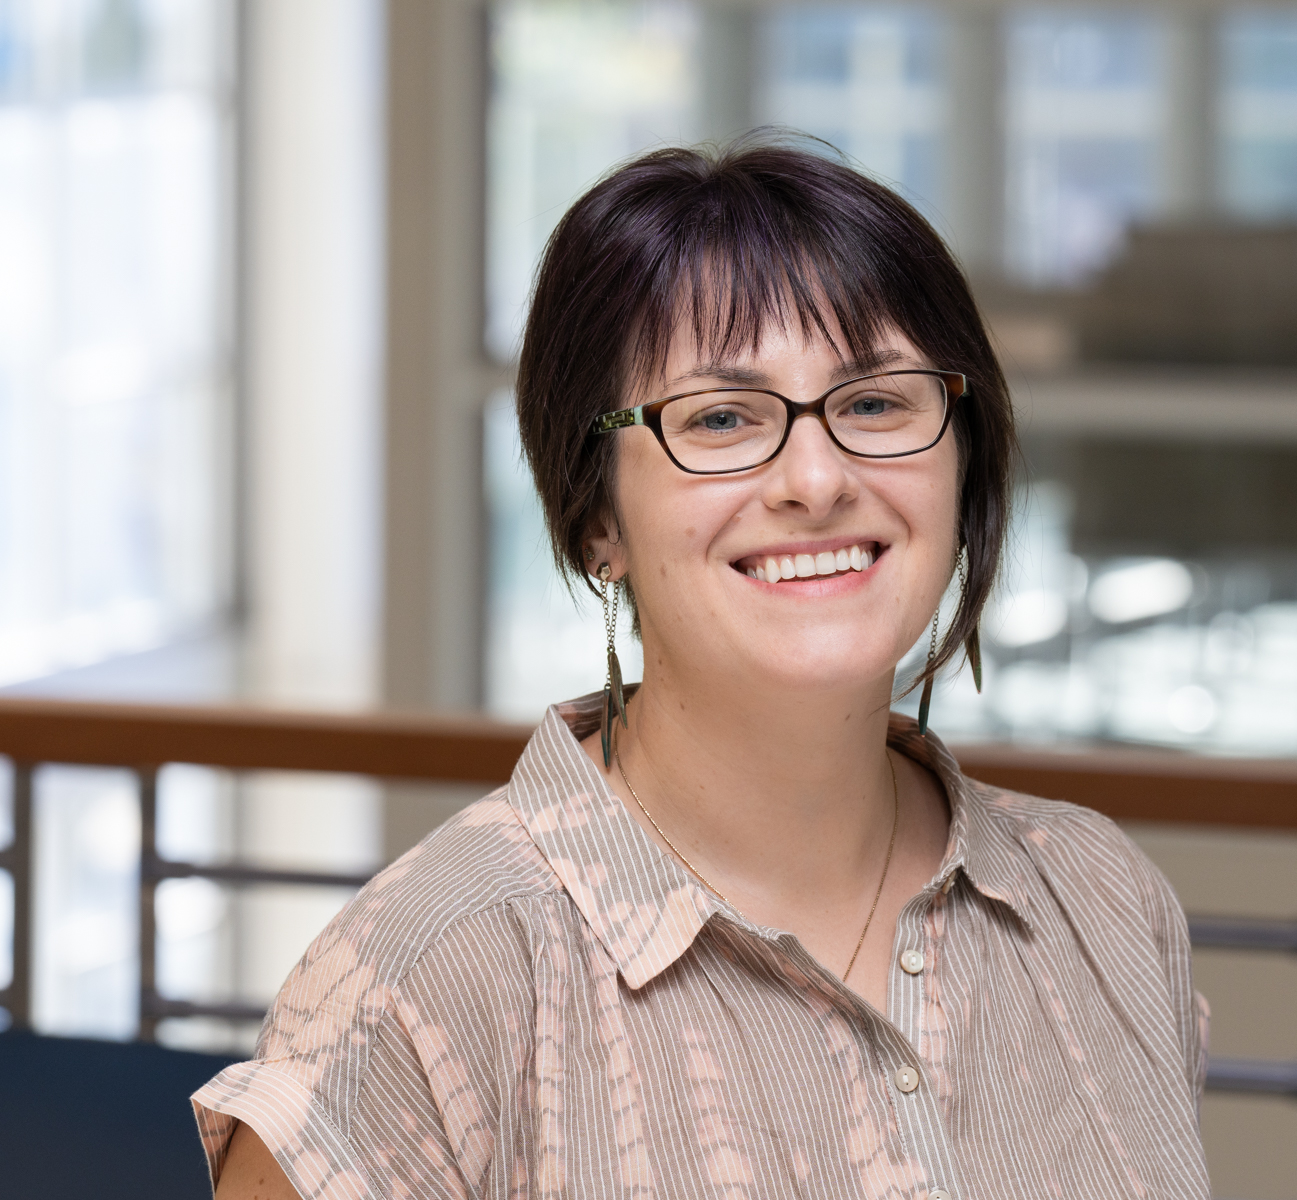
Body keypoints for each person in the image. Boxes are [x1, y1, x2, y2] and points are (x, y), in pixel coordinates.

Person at [200, 136, 1210, 1199]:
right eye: (721, 419)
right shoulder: (422, 987)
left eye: (876, 403)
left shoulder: (1102, 900)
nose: (815, 479)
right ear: (597, 519)